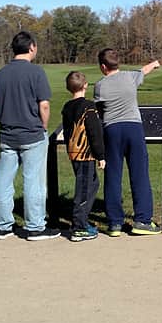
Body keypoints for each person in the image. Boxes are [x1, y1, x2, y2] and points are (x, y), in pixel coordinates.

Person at [0, 31, 60, 241]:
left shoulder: (0, 74)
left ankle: (2, 226)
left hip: (7, 134)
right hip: (32, 134)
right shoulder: (36, 73)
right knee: (34, 182)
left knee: (3, 180)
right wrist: (43, 127)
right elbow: (44, 105)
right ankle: (35, 227)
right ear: (31, 47)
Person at [94, 48, 162, 236]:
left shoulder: (100, 86)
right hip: (133, 129)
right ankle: (142, 221)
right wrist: (155, 64)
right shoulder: (130, 77)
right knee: (140, 174)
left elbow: (99, 112)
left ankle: (115, 223)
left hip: (112, 131)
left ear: (103, 67)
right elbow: (144, 70)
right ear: (118, 64)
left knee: (113, 176)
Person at [62, 71, 106, 242]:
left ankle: (82, 221)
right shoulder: (88, 106)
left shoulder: (67, 107)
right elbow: (95, 132)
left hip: (73, 152)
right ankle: (79, 227)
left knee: (92, 184)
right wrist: (100, 155)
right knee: (84, 190)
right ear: (86, 85)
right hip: (85, 154)